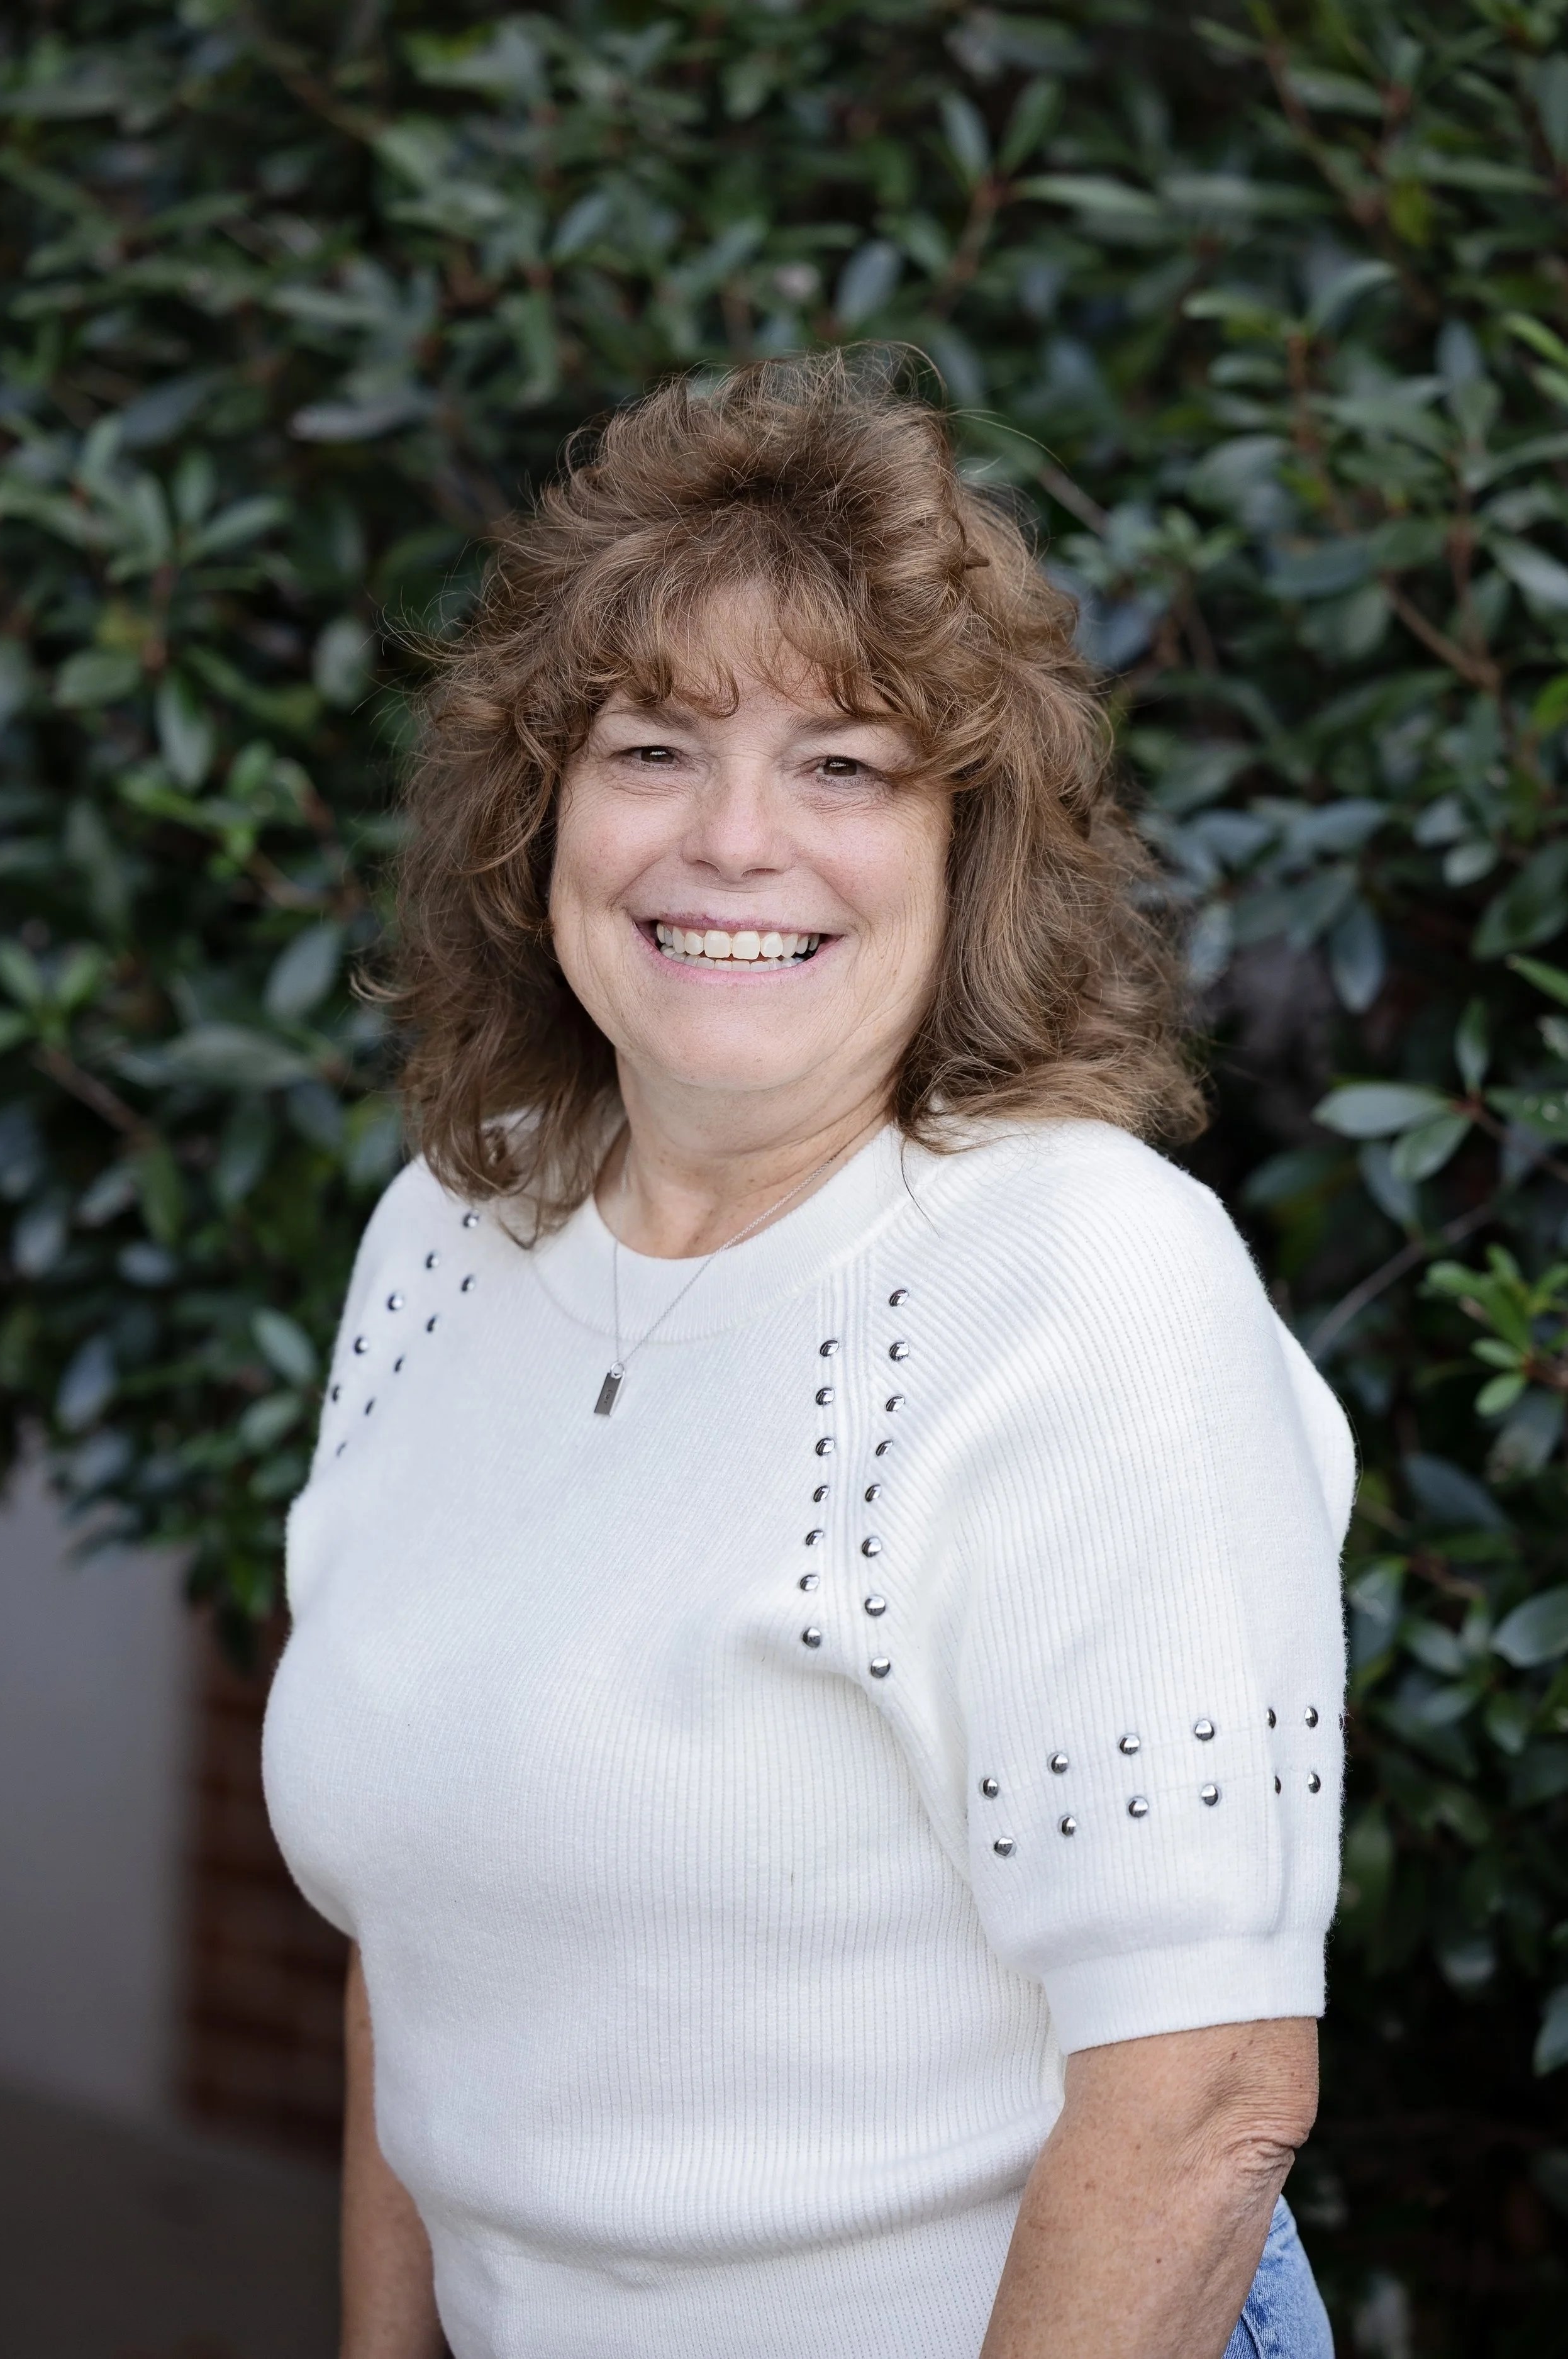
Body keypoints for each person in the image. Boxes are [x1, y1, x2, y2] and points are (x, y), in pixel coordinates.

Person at [263, 352, 1352, 2359]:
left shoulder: (1084, 1283)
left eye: (843, 763)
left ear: (968, 853)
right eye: (652, 748)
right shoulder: (449, 1227)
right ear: (541, 812)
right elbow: (415, 1940)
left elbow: (1203, 2103)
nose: (732, 841)